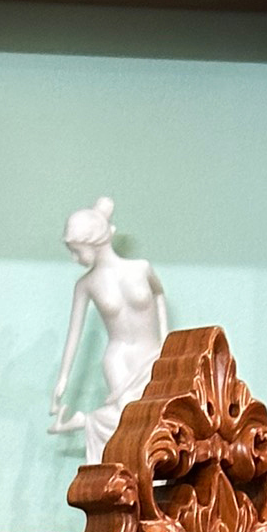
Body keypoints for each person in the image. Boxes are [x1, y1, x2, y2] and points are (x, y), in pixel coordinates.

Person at [48, 197, 169, 462]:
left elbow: (159, 295)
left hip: (151, 353)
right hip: (117, 357)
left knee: (154, 419)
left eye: (76, 251)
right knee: (128, 417)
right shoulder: (86, 284)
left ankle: (83, 421)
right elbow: (74, 335)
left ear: (93, 242)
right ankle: (120, 470)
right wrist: (63, 379)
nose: (75, 258)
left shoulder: (141, 268)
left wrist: (166, 342)